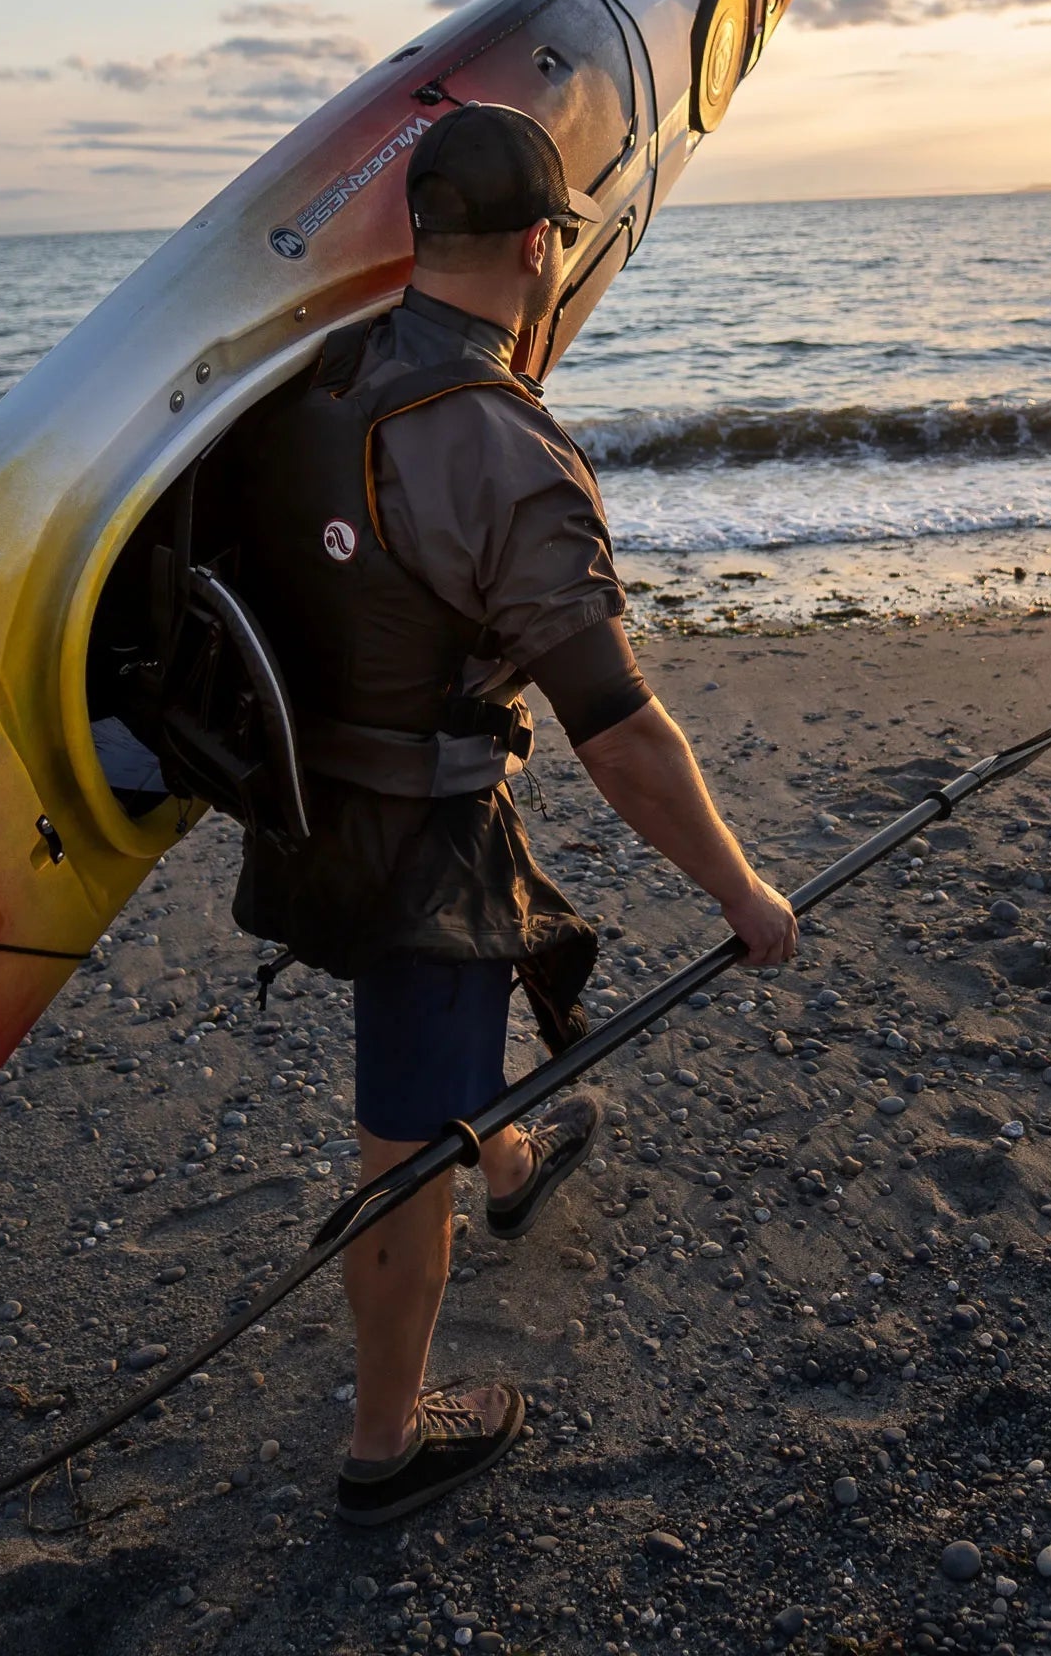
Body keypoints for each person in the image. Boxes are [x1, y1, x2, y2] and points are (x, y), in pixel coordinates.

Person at [226, 103, 798, 1527]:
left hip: (311, 808)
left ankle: (520, 1156)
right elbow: (620, 734)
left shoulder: (323, 373)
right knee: (400, 1150)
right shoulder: (504, 448)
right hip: (417, 837)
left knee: (497, 959)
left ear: (423, 236)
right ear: (546, 246)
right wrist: (741, 893)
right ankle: (383, 1444)